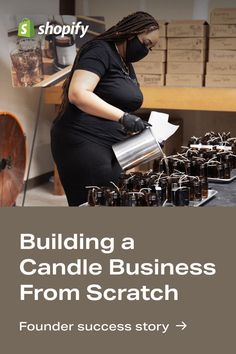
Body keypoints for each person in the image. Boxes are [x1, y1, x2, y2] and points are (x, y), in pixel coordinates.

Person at [51, 11, 159, 206]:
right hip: (83, 140)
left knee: (112, 201)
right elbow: (78, 93)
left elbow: (115, 100)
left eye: (151, 48)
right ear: (130, 34)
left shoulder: (125, 62)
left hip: (112, 144)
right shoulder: (99, 51)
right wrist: (123, 117)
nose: (146, 51)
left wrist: (142, 132)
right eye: (145, 44)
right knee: (94, 204)